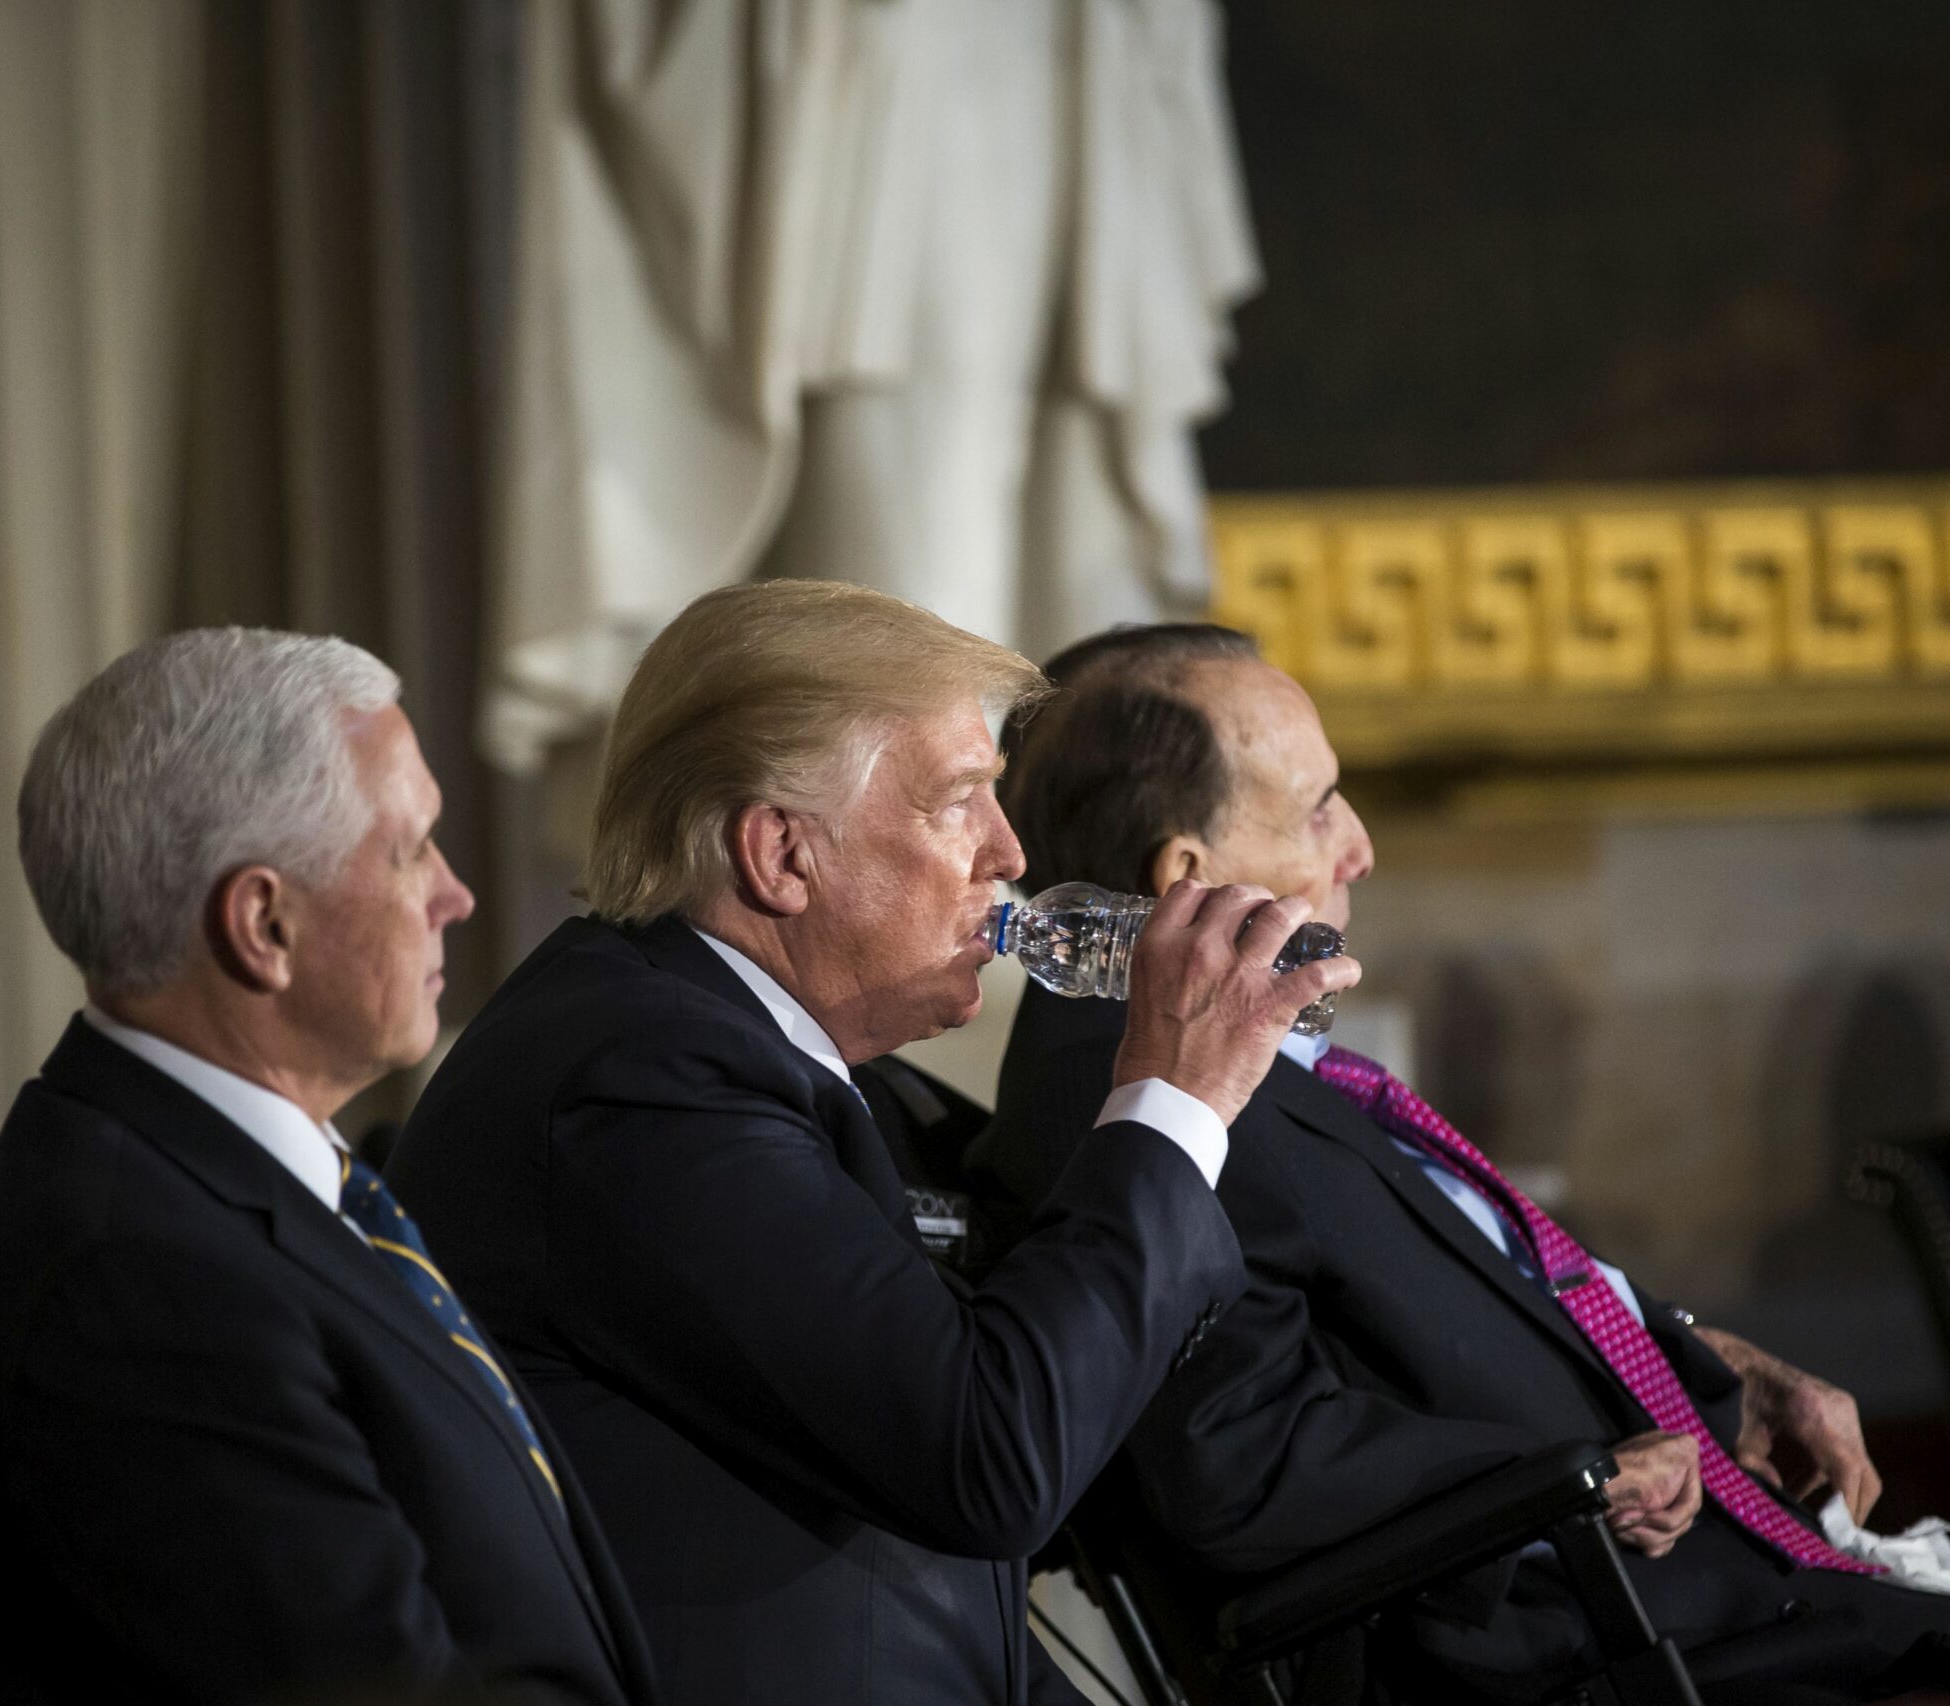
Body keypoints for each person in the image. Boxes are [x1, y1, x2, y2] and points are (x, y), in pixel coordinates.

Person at [385, 580, 1358, 1706]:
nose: (1009, 851)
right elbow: (987, 1455)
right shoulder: (640, 1080)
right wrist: (1172, 1097)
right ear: (780, 855)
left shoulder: (736, 1052)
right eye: (958, 802)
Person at [972, 623, 1950, 1704]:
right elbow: (1238, 1455)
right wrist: (1574, 1480)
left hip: (1715, 1588)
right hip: (1613, 1643)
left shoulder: (1219, 1049)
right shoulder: (1145, 1094)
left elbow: (1444, 1321)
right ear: (1189, 877)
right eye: (1318, 807)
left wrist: (1696, 1359)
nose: (1359, 847)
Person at [0, 630, 654, 1706]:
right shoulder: (139, 1284)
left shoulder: (247, 1189)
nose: (456, 894)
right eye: (411, 850)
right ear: (264, 923)